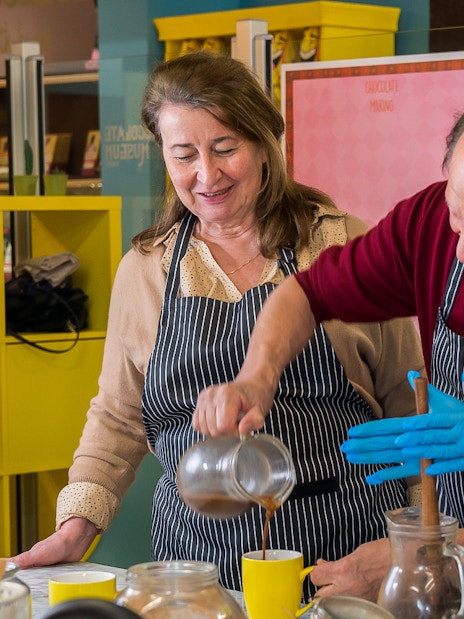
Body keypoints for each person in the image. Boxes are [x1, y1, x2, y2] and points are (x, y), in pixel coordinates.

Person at [11, 51, 424, 603]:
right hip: (191, 566)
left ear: (263, 142)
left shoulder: (343, 245)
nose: (206, 175)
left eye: (225, 148)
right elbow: (118, 415)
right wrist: (76, 526)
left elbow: (413, 405)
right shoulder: (147, 269)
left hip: (343, 557)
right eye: (184, 155)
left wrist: (417, 545)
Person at [193, 110, 464, 599]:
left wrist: (425, 554)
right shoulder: (427, 225)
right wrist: (257, 376)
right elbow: (306, 295)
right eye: (458, 212)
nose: (458, 251)